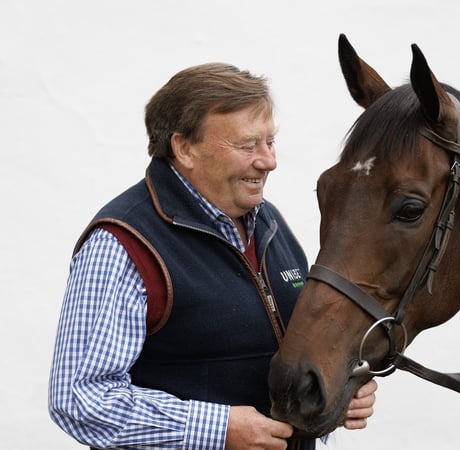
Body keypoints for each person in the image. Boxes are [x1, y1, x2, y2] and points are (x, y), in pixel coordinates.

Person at [49, 62, 377, 450]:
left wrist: (333, 393)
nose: (268, 160)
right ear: (184, 148)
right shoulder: (122, 244)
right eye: (247, 144)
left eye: (270, 142)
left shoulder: (268, 223)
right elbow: (79, 398)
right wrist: (218, 428)